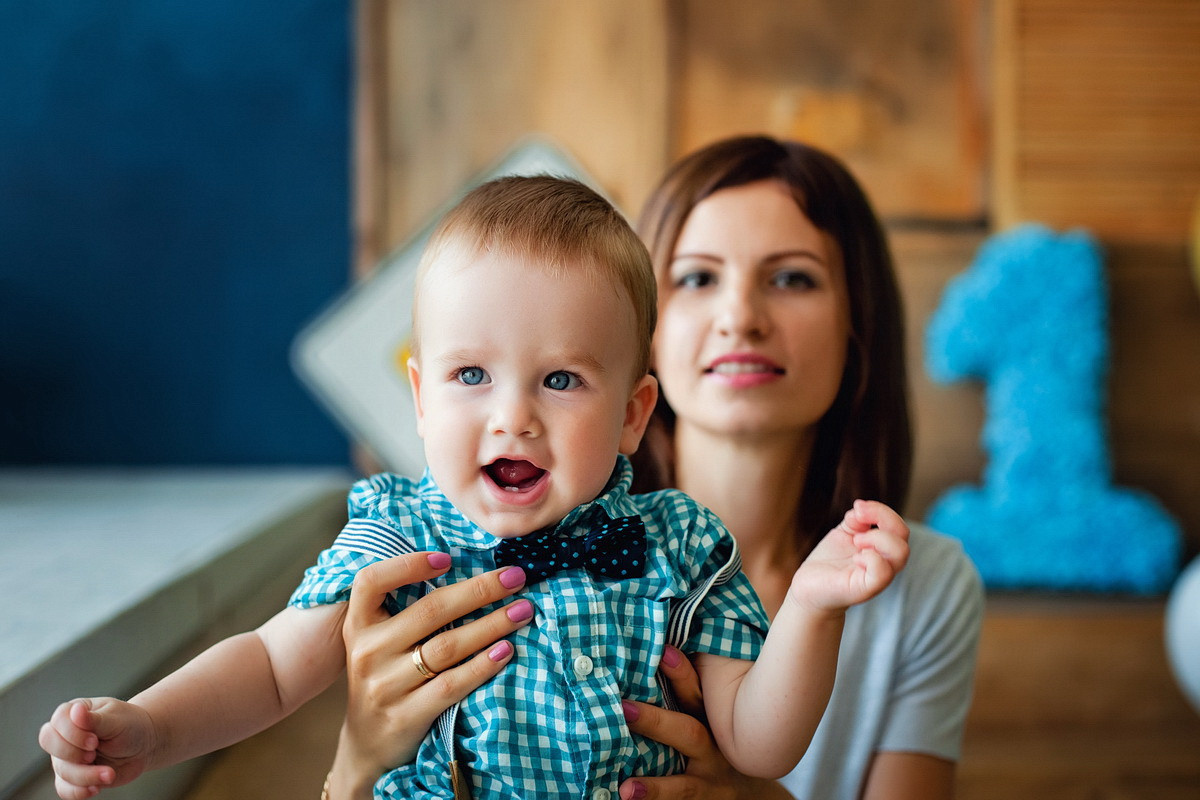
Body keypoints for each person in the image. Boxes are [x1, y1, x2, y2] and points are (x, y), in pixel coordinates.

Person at [37, 175, 910, 800]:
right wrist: (149, 726)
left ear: (635, 415)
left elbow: (761, 745)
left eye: (561, 381)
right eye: (470, 376)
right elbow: (269, 666)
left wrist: (812, 608)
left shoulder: (678, 544)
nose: (513, 418)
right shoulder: (396, 533)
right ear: (419, 399)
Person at [326, 137, 984, 800]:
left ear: (856, 321)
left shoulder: (921, 585)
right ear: (644, 332)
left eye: (792, 278)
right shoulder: (440, 539)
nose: (740, 319)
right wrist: (357, 763)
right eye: (697, 277)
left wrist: (751, 796)